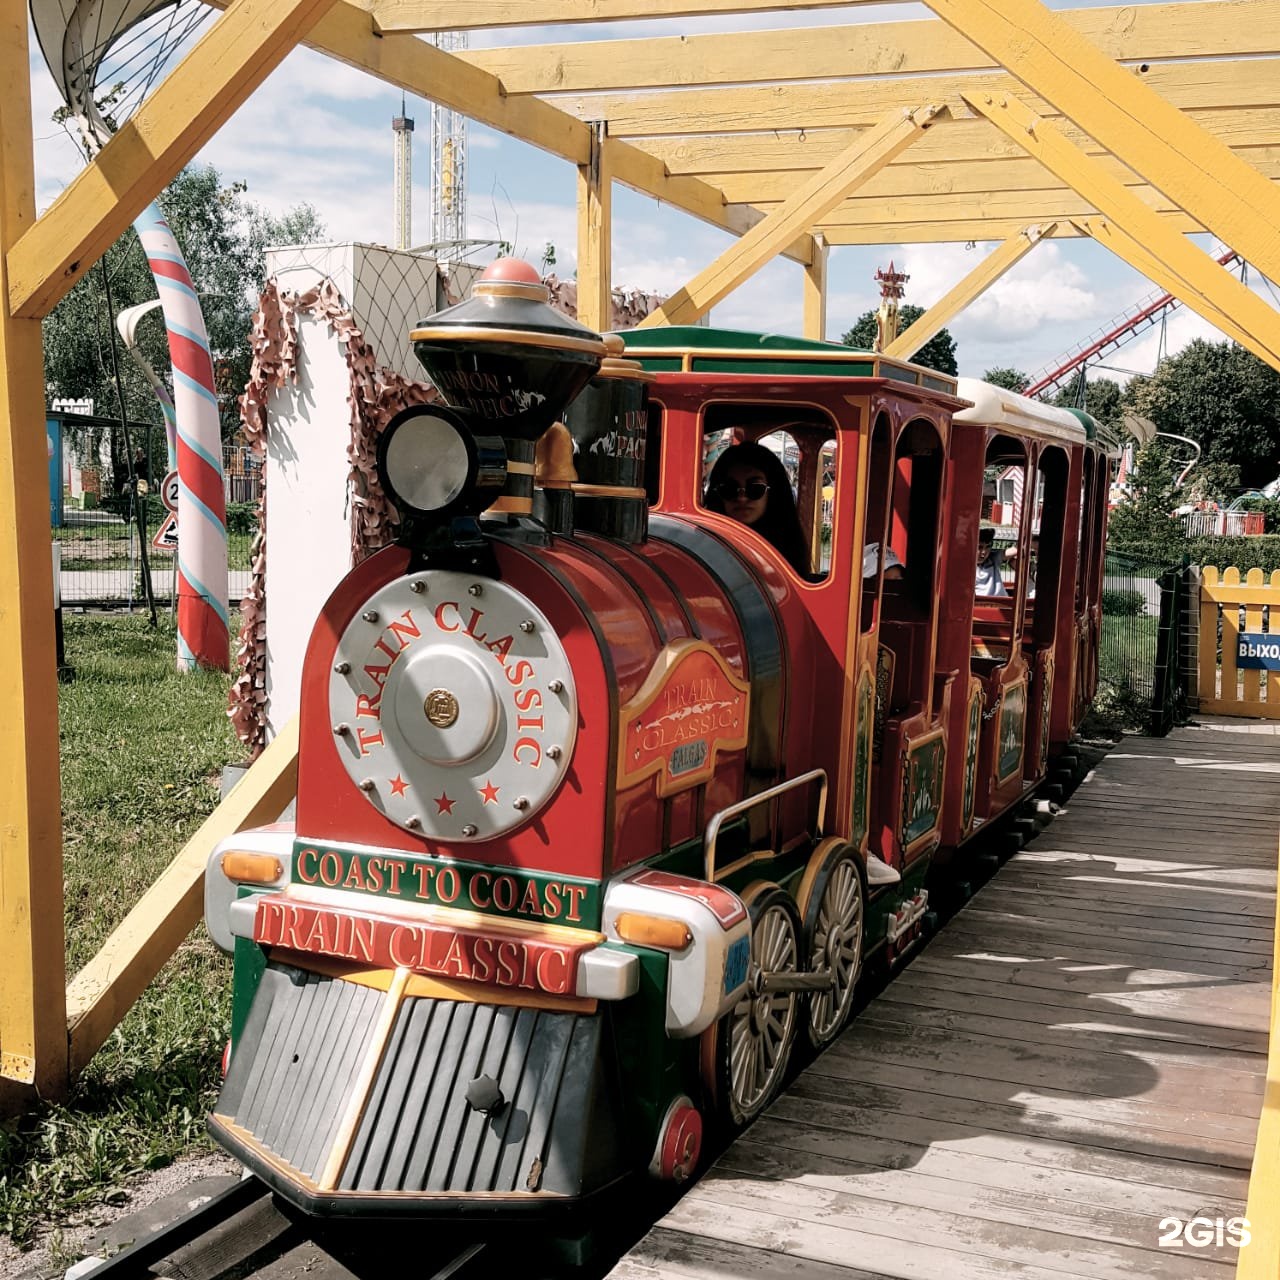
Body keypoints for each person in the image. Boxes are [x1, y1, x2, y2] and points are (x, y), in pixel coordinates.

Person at [705, 441, 810, 575]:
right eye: (729, 489)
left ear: (773, 493)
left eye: (755, 488)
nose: (742, 497)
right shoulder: (705, 545)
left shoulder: (787, 551)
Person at [975, 526, 1009, 597]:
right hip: (982, 606)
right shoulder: (964, 569)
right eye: (980, 547)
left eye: (988, 547)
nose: (984, 552)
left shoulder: (992, 559)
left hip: (1002, 604)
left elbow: (1013, 551)